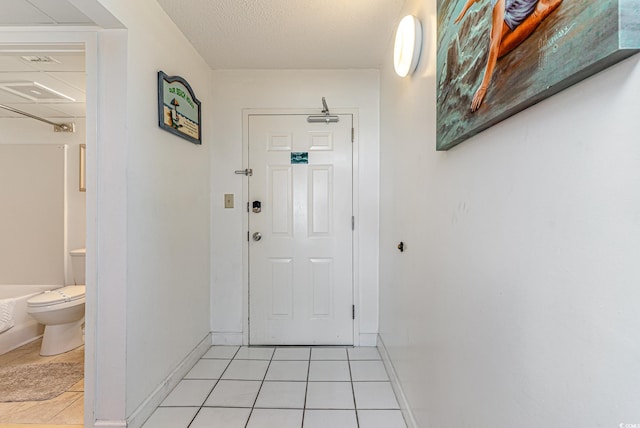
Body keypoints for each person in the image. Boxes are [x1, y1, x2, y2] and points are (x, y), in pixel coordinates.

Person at [455, 0, 563, 112]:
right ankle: (537, 12)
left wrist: (483, 87)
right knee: (495, 41)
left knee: (498, 49)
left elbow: (495, 45)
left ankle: (538, 14)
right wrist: (465, 8)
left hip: (520, 8)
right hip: (515, 10)